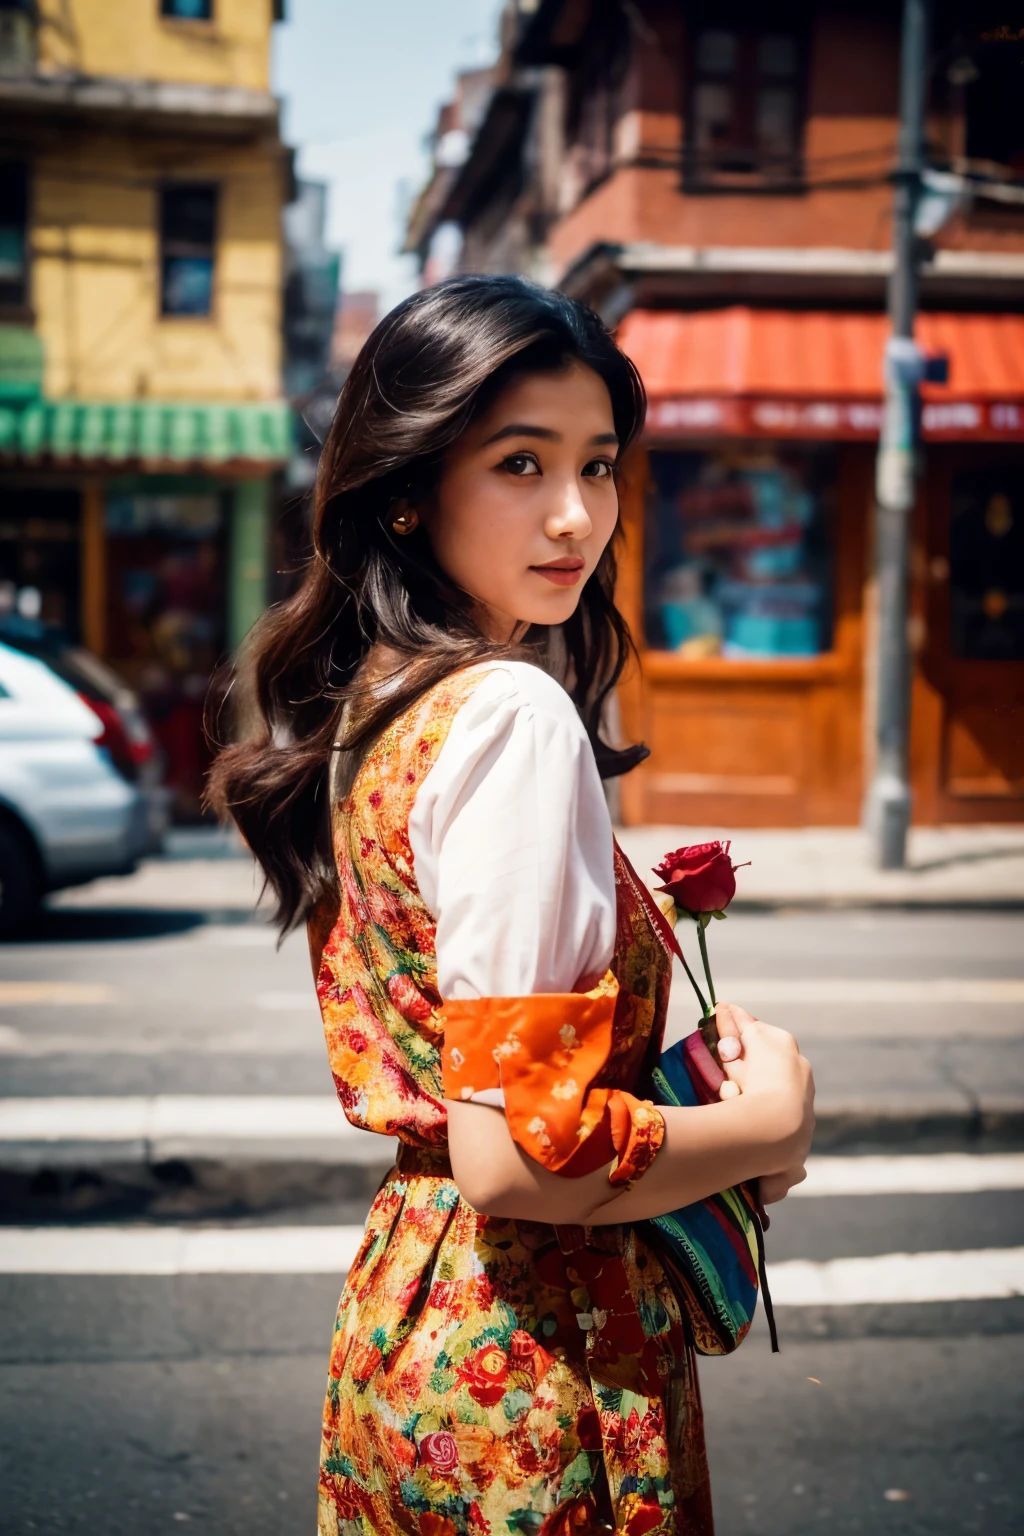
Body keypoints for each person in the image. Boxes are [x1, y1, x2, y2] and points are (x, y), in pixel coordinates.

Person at [208, 276, 815, 1536]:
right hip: (538, 1349)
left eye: (598, 467)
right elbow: (519, 1154)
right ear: (411, 485)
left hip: (411, 1315)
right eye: (521, 463)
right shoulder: (507, 712)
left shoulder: (380, 698)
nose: (573, 514)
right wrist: (766, 1127)